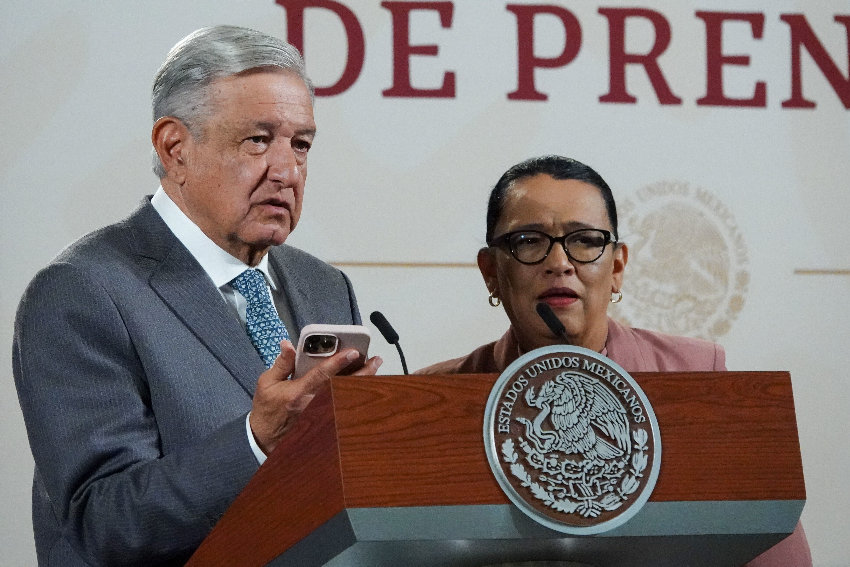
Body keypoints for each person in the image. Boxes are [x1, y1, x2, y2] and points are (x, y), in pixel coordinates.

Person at [12, 25, 381, 566]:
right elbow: (104, 521)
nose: (286, 170)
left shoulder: (324, 286)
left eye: (300, 144)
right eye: (258, 140)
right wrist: (257, 441)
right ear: (175, 147)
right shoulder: (82, 291)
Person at [417, 155, 811, 566]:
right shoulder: (440, 397)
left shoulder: (698, 380)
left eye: (585, 240)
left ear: (618, 266)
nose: (560, 263)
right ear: (491, 271)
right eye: (529, 241)